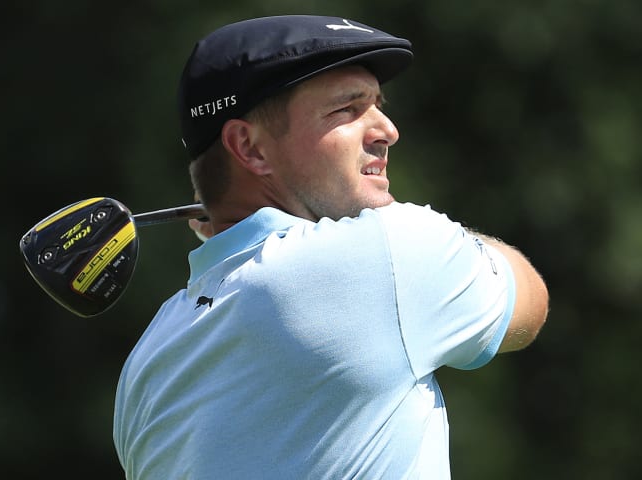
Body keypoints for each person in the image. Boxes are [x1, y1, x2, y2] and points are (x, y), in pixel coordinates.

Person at [113, 15, 549, 479]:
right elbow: (529, 303)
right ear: (250, 148)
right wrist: (452, 241)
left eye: (378, 105)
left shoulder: (146, 364)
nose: (387, 130)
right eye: (347, 109)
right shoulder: (391, 250)